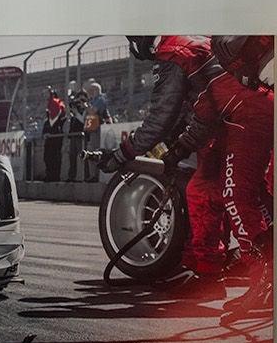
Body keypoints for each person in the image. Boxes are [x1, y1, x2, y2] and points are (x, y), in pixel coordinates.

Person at [93, 36, 226, 277]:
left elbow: (160, 118)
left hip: (222, 122)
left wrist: (122, 154)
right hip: (238, 111)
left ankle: (205, 270)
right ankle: (217, 259)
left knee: (199, 191)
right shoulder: (192, 39)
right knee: (232, 193)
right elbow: (191, 101)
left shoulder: (171, 53)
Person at [183, 36, 275, 316]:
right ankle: (268, 273)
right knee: (264, 190)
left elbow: (203, 113)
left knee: (235, 195)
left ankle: (265, 278)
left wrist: (175, 150)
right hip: (272, 104)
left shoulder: (212, 71)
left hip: (259, 113)